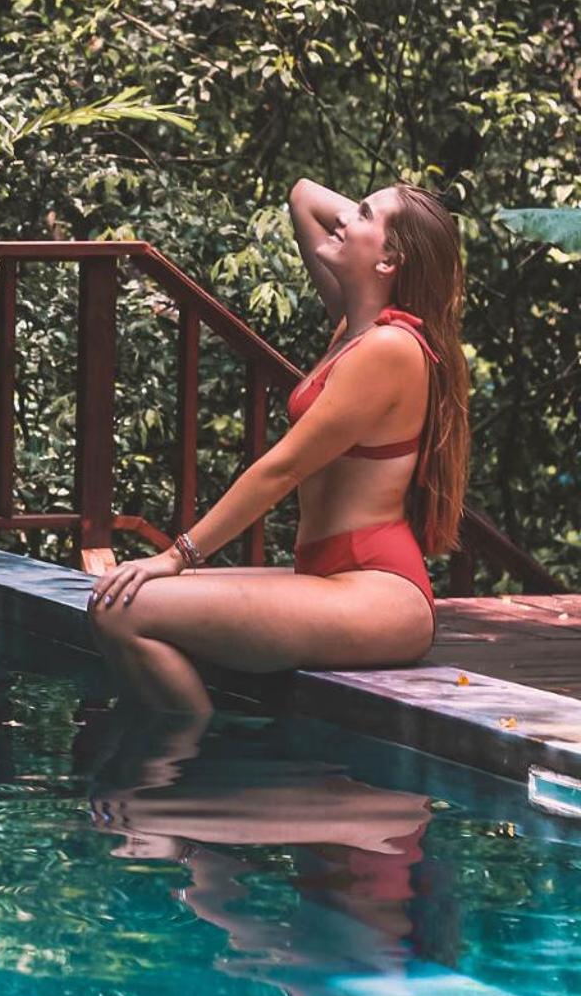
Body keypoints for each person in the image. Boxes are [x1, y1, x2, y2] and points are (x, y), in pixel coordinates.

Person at [89, 180, 470, 718]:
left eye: (362, 214)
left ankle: (186, 754)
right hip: (328, 576)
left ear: (389, 261)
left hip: (378, 592)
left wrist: (177, 556)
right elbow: (303, 196)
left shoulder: (390, 348)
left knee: (123, 611)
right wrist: (392, 221)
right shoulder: (355, 329)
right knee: (114, 599)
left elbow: (283, 468)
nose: (343, 218)